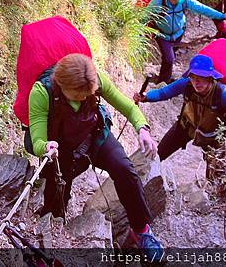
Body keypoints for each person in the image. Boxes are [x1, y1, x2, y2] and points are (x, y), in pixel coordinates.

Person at [28, 53, 164, 256]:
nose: (84, 98)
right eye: (79, 95)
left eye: (87, 94)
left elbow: (126, 106)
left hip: (95, 135)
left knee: (124, 169)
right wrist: (45, 147)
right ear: (63, 85)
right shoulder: (41, 92)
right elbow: (37, 138)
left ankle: (141, 230)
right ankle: (53, 246)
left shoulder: (95, 79)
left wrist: (142, 128)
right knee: (55, 202)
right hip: (60, 149)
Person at [134, 55, 226, 177]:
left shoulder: (223, 94)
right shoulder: (187, 84)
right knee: (158, 154)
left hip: (212, 136)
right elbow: (164, 93)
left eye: (201, 77)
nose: (196, 82)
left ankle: (209, 195)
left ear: (210, 77)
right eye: (193, 77)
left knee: (214, 173)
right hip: (185, 127)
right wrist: (146, 97)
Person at [146, 0, 226, 85]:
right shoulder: (157, 3)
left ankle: (164, 76)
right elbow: (144, 16)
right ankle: (163, 83)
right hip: (162, 35)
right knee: (169, 58)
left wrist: (222, 16)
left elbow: (202, 8)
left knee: (170, 57)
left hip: (179, 33)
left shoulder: (184, 0)